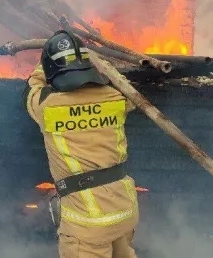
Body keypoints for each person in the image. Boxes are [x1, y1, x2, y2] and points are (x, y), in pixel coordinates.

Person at [23, 30, 140, 258]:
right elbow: (124, 86)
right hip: (124, 210)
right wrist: (102, 68)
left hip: (87, 221)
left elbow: (30, 89)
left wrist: (41, 67)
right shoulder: (116, 97)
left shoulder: (47, 105)